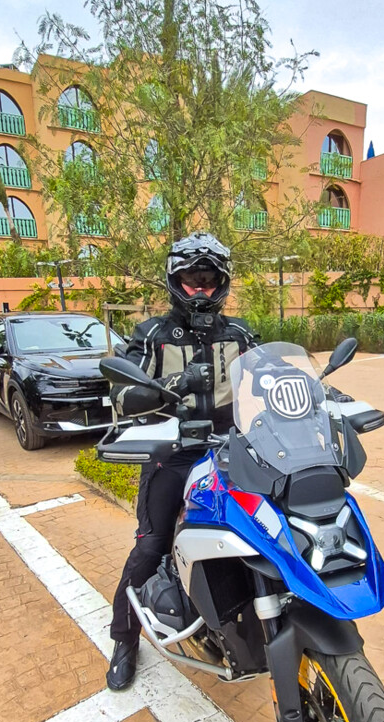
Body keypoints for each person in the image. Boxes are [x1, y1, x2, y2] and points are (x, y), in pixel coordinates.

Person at [106, 233, 257, 690]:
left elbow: (271, 377)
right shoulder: (152, 335)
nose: (201, 288)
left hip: (230, 450)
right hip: (171, 453)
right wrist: (179, 382)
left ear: (222, 283)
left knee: (261, 532)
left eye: (209, 280)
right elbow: (122, 394)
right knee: (151, 546)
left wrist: (320, 394)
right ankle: (124, 639)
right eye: (192, 279)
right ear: (175, 281)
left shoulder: (239, 334)